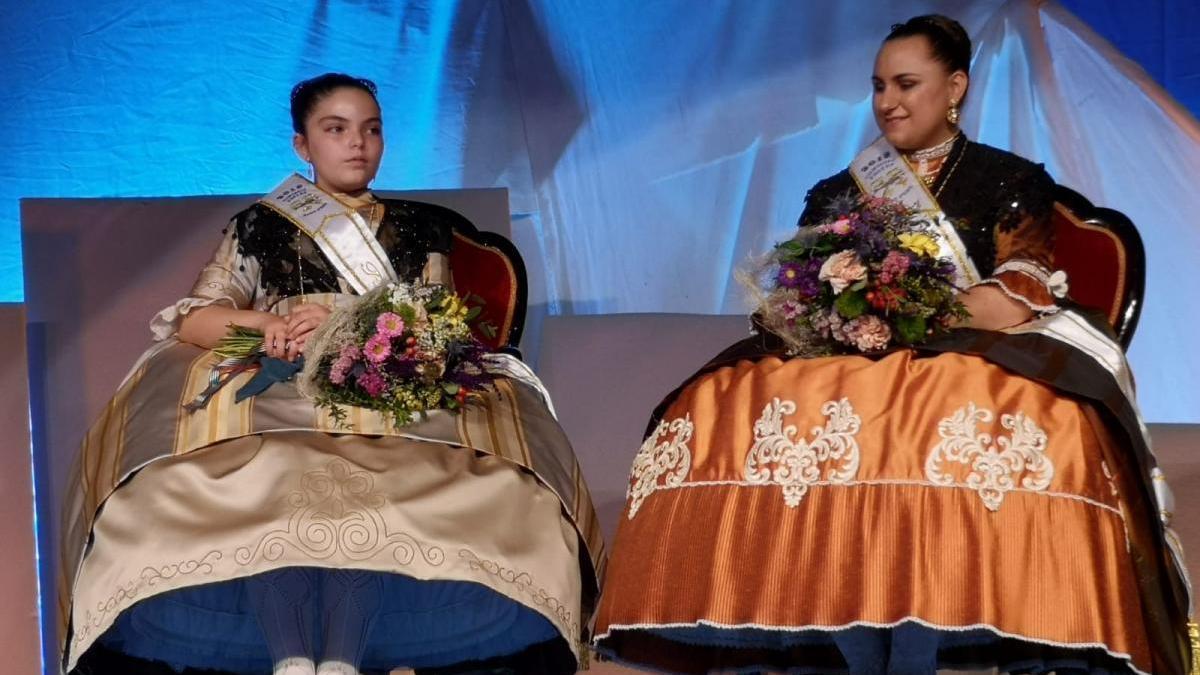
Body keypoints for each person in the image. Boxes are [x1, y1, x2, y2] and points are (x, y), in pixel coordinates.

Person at [592, 15, 1191, 675]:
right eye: (878, 85)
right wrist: (841, 310)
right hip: (843, 356)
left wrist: (909, 311)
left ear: (955, 85)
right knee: (727, 399)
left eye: (907, 83)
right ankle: (796, 618)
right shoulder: (836, 192)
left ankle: (955, 619)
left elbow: (1017, 286)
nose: (888, 101)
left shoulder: (1008, 181)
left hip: (964, 349)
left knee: (949, 404)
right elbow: (797, 294)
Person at [60, 73, 604, 675]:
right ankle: (290, 654)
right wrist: (261, 329)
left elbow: (436, 321)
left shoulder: (420, 227)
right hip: (280, 374)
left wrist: (349, 321)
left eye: (371, 130)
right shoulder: (260, 224)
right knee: (266, 483)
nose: (357, 144)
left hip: (389, 371)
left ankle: (345, 655)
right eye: (336, 129)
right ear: (302, 146)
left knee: (431, 479)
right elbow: (196, 316)